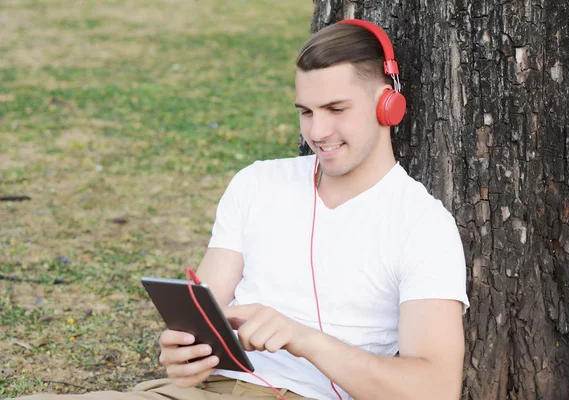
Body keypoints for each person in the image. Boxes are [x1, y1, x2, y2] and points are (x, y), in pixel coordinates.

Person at [16, 18, 469, 400]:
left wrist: (302, 338)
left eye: (335, 108)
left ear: (388, 104)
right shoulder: (257, 182)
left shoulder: (422, 225)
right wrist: (183, 352)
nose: (318, 131)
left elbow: (435, 386)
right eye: (306, 112)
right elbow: (205, 306)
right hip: (210, 388)